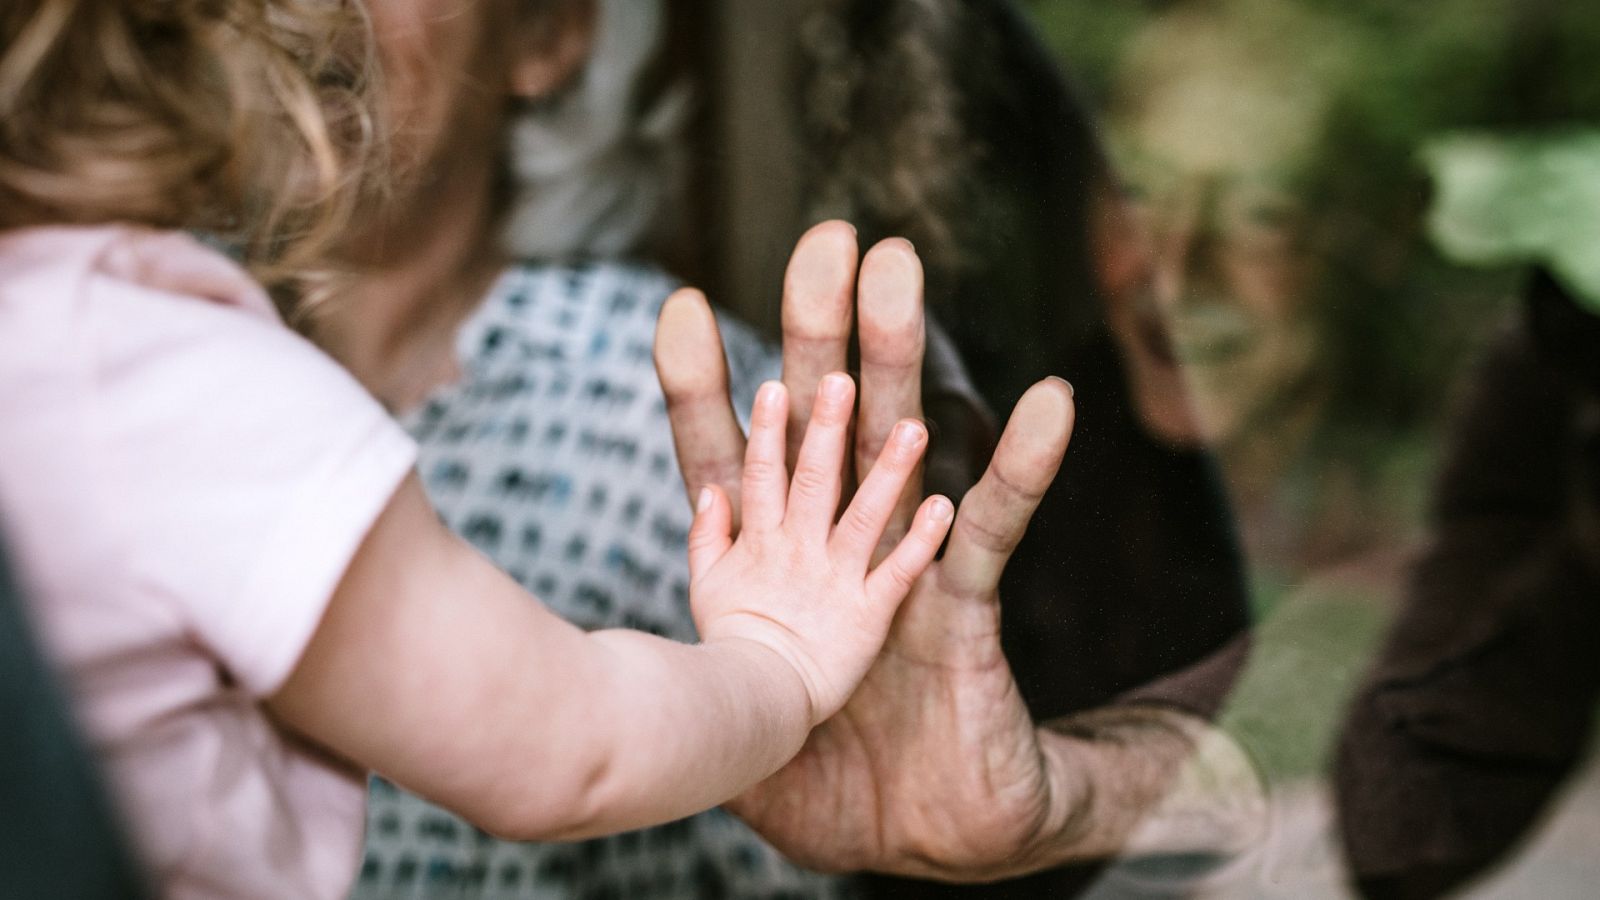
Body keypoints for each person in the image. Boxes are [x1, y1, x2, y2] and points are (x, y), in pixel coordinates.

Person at [0, 2, 972, 897]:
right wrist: (781, 667)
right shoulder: (163, 372)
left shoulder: (668, 417)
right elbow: (574, 746)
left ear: (546, 34)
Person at [332, 1, 1265, 898]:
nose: (315, 11)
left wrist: (1070, 794)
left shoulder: (670, 426)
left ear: (547, 30)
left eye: (1265, 212)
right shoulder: (241, 391)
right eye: (1139, 190)